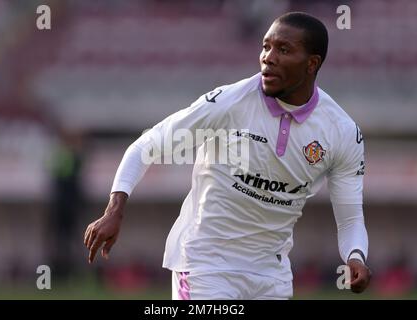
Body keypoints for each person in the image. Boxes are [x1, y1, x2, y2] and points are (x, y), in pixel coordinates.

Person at [84, 12, 371, 299]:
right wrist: (114, 210)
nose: (268, 57)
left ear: (312, 63)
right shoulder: (229, 103)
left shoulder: (341, 132)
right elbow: (146, 146)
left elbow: (350, 218)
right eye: (266, 46)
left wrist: (355, 256)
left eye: (283, 50)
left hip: (271, 274)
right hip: (205, 265)